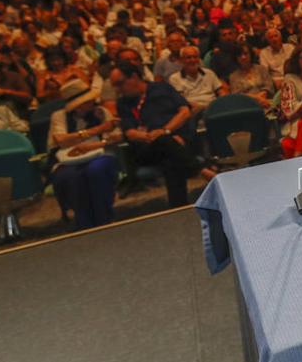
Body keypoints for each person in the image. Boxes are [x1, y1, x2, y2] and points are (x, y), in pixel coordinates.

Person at [110, 65, 202, 209]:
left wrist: (165, 131)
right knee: (164, 142)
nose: (118, 89)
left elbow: (184, 112)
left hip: (175, 142)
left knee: (171, 158)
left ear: (134, 77)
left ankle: (179, 208)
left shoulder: (162, 88)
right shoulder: (123, 103)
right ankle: (201, 168)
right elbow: (130, 133)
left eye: (120, 83)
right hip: (146, 149)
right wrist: (154, 136)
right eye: (114, 86)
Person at [49, 80, 121, 229]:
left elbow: (116, 136)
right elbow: (60, 140)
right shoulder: (59, 116)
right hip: (67, 159)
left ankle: (104, 217)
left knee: (95, 171)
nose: (92, 102)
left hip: (100, 153)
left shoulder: (102, 112)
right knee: (70, 177)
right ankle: (84, 221)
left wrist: (93, 144)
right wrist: (96, 130)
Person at [168, 46, 226, 117]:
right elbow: (181, 102)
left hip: (213, 109)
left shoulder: (209, 73)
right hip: (192, 111)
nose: (193, 60)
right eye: (188, 57)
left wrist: (222, 102)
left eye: (195, 57)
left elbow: (221, 91)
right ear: (181, 60)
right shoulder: (175, 78)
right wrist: (202, 107)